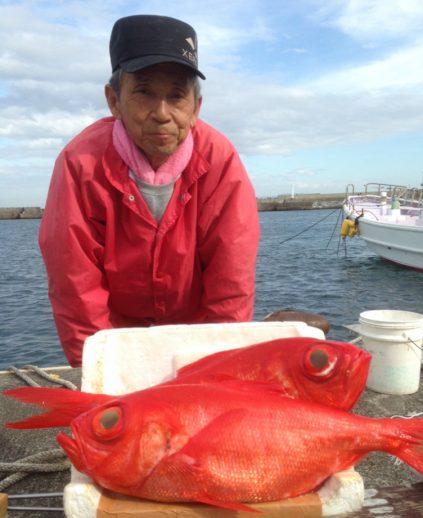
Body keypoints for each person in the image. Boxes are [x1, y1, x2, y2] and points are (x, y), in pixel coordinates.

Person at [39, 15, 260, 368]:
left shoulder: (220, 161)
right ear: (114, 100)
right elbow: (75, 287)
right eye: (143, 92)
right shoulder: (79, 164)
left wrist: (215, 369)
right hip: (116, 339)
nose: (161, 113)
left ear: (196, 108)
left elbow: (230, 284)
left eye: (177, 96)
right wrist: (98, 371)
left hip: (196, 339)